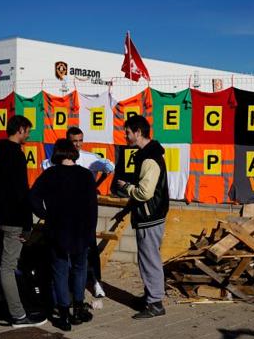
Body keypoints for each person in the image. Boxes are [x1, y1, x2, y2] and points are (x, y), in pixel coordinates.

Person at [0, 115, 46, 328]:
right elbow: (22, 193)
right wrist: (27, 224)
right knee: (8, 267)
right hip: (13, 219)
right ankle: (18, 315)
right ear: (19, 129)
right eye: (27, 131)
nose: (28, 135)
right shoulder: (17, 156)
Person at [31, 139, 98, 331]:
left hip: (56, 230)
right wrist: (90, 232)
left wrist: (45, 215)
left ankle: (63, 316)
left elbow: (33, 197)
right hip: (81, 231)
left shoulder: (50, 174)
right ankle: (78, 309)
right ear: (73, 152)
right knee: (79, 269)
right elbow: (93, 208)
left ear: (57, 153)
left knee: (59, 272)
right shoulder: (86, 175)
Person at [41, 126, 114, 298]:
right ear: (67, 141)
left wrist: (96, 183)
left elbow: (109, 166)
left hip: (84, 212)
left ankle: (96, 281)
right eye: (74, 141)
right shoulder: (55, 160)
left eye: (81, 140)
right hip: (64, 213)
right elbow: (45, 170)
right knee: (63, 252)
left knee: (90, 246)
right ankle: (66, 288)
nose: (78, 144)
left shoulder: (89, 158)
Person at [116, 115, 169, 319]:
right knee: (147, 258)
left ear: (138, 133)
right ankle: (150, 297)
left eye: (128, 132)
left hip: (150, 217)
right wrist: (126, 210)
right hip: (149, 215)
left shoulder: (149, 158)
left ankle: (155, 303)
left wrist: (127, 188)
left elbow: (145, 193)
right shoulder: (148, 155)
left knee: (149, 260)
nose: (126, 136)